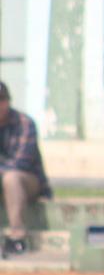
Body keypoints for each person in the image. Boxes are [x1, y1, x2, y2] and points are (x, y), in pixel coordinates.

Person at [0, 81, 52, 258]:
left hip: (28, 182)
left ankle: (17, 237)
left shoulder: (24, 123)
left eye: (1, 100)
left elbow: (21, 162)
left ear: (7, 101)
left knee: (11, 178)